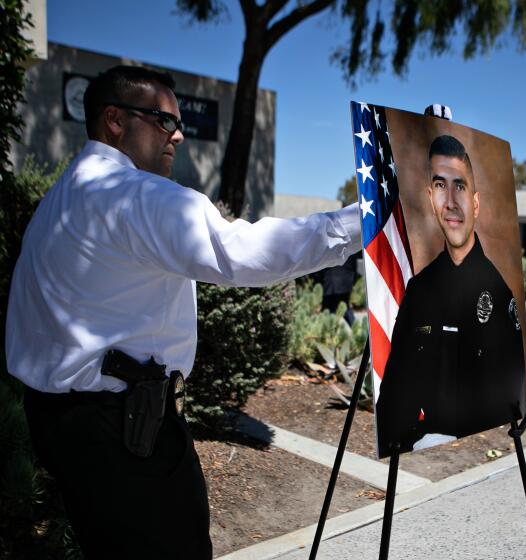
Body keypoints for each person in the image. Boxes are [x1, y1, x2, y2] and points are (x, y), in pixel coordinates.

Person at [5, 65, 361, 560]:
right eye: (162, 120)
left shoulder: (58, 200)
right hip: (127, 436)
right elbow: (244, 252)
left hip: (63, 424)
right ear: (113, 120)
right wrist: (367, 219)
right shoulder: (134, 195)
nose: (178, 136)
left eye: (179, 124)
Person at [374, 135, 526, 457]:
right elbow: (395, 391)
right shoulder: (420, 290)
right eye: (441, 186)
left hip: (478, 452)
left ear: (475, 202)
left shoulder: (498, 293)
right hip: (423, 449)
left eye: (460, 186)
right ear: (431, 198)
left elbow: (509, 397)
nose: (451, 201)